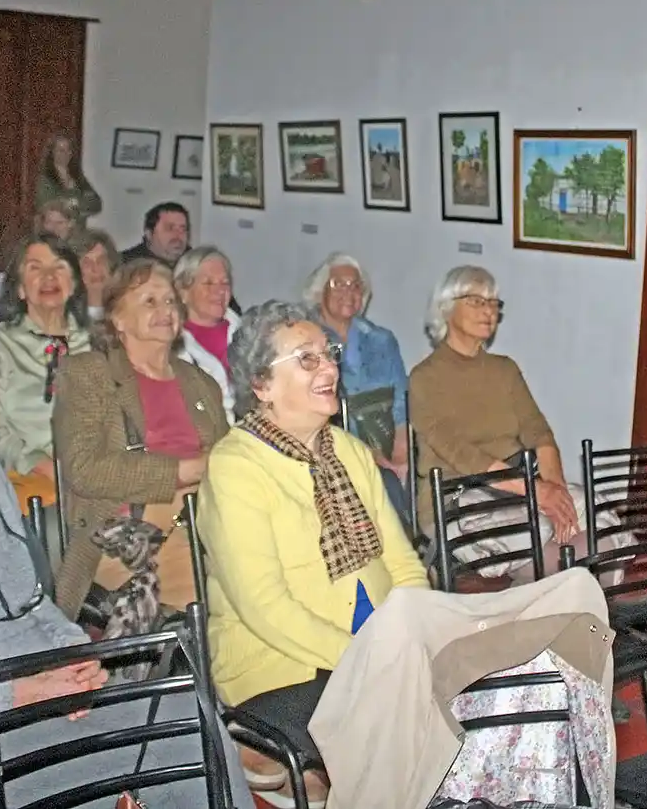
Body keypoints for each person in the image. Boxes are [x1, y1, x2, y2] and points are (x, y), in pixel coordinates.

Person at [0, 315, 253, 808]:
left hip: (36, 681)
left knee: (195, 726)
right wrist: (24, 692)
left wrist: (75, 655)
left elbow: (32, 602)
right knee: (98, 770)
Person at [198, 300, 428, 805]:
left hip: (373, 642)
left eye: (329, 354)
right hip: (278, 663)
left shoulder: (346, 448)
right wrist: (365, 657)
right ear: (261, 385)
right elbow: (266, 608)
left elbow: (402, 561)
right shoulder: (235, 466)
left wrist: (420, 629)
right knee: (404, 719)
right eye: (307, 359)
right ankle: (276, 759)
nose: (329, 368)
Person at [410, 265, 627, 581]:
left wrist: (556, 491)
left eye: (494, 303)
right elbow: (463, 456)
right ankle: (536, 611)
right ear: (445, 308)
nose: (488, 311)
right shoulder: (424, 378)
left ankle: (590, 624)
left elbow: (539, 433)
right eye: (476, 301)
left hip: (520, 490)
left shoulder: (504, 369)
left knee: (600, 521)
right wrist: (538, 493)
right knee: (545, 536)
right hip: (458, 496)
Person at [53, 260, 228, 619]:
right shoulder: (89, 373)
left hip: (205, 517)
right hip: (128, 533)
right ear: (117, 318)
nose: (165, 310)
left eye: (169, 302)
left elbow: (228, 459)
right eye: (149, 302)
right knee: (221, 585)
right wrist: (185, 471)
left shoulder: (201, 383)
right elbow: (83, 469)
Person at [0, 235, 90, 542]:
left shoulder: (99, 343)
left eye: (58, 267)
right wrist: (37, 463)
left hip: (94, 473)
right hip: (30, 476)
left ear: (73, 283)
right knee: (54, 529)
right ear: (20, 288)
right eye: (35, 268)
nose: (48, 277)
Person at [303, 253, 411, 523]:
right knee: (383, 485)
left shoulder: (382, 339)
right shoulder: (306, 342)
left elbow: (401, 402)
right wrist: (369, 456)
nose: (348, 292)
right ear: (319, 292)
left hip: (388, 443)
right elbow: (319, 414)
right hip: (333, 446)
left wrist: (400, 454)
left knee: (411, 477)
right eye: (338, 284)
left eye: (355, 285)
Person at [174, 246, 241, 422]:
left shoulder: (247, 333)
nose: (219, 291)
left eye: (225, 283)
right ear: (183, 291)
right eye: (208, 283)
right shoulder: (168, 343)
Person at [36, 132, 103, 232]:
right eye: (61, 150)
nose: (66, 154)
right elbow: (51, 209)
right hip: (54, 235)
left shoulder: (78, 178)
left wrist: (71, 203)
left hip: (78, 235)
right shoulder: (45, 180)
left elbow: (96, 204)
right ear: (52, 153)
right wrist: (79, 202)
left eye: (68, 150)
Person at [68, 228, 118, 322]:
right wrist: (95, 298)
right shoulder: (67, 307)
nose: (95, 269)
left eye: (101, 260)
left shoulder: (125, 298)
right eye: (87, 263)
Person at [120, 202, 191, 268]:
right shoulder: (125, 265)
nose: (178, 236)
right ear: (149, 234)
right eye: (169, 228)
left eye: (183, 229)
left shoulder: (195, 263)